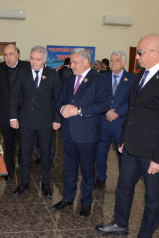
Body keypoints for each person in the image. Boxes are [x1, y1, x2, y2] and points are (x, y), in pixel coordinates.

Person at [95, 34, 159, 237]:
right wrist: (123, 139)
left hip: (152, 152)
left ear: (156, 52)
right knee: (123, 188)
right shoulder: (142, 75)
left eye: (141, 53)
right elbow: (132, 110)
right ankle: (120, 223)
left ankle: (145, 234)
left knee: (152, 198)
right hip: (131, 147)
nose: (137, 57)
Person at [53, 48, 110, 217]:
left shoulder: (98, 80)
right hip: (69, 133)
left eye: (75, 62)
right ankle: (68, 198)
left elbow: (103, 104)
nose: (72, 65)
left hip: (87, 134)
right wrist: (63, 108)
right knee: (69, 169)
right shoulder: (69, 80)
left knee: (86, 170)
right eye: (71, 62)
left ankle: (86, 201)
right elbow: (60, 101)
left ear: (86, 62)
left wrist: (78, 111)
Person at [10, 45, 61, 197]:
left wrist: (58, 119)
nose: (34, 62)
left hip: (46, 122)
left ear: (45, 60)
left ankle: (46, 184)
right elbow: (14, 96)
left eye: (38, 59)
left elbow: (58, 99)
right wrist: (13, 117)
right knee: (24, 153)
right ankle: (24, 182)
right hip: (25, 121)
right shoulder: (22, 73)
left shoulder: (52, 75)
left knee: (45, 154)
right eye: (32, 58)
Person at [95, 50, 136, 189]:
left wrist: (118, 112)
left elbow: (133, 101)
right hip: (104, 121)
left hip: (121, 123)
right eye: (111, 60)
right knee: (100, 152)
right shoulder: (102, 77)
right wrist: (106, 111)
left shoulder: (132, 79)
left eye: (117, 60)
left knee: (122, 153)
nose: (113, 63)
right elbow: (97, 97)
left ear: (124, 62)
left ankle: (123, 180)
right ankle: (101, 177)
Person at [0, 44, 29, 180]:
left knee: (24, 143)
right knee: (8, 143)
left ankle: (23, 168)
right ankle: (9, 169)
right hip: (5, 112)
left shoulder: (27, 67)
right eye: (5, 55)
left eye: (11, 54)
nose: (8, 58)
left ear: (17, 55)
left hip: (24, 113)